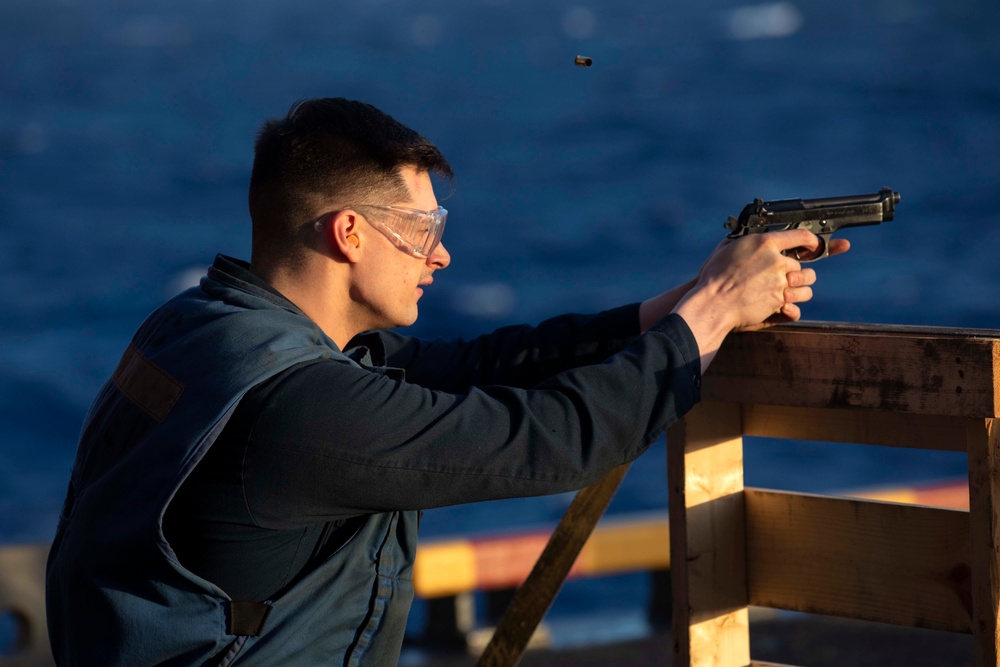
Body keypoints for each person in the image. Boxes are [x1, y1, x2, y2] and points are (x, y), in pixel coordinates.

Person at [45, 97, 845, 665]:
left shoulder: (200, 328)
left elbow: (476, 368)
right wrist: (710, 317)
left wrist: (669, 309)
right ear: (349, 233)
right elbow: (548, 440)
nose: (440, 255)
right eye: (423, 230)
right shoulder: (299, 412)